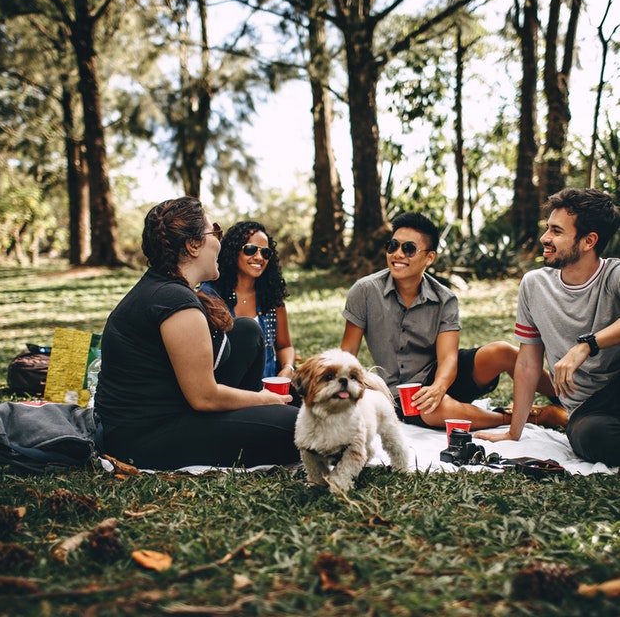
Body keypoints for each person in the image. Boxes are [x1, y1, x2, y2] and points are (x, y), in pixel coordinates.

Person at [95, 197, 300, 470]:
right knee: (298, 427)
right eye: (214, 231)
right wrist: (264, 398)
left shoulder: (166, 288)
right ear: (193, 245)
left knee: (246, 331)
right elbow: (204, 397)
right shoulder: (174, 301)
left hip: (173, 410)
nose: (219, 240)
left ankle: (259, 415)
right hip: (145, 437)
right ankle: (264, 415)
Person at [340, 211, 566, 430]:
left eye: (408, 249)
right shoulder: (365, 291)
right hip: (400, 393)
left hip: (442, 375)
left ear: (429, 257)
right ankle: (528, 417)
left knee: (503, 351)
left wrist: (438, 387)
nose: (398, 254)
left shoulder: (444, 298)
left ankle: (568, 400)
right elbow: (347, 353)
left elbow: (448, 358)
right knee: (434, 410)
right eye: (393, 246)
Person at [476, 188, 620, 466]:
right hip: (589, 410)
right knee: (589, 437)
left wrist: (586, 345)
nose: (544, 238)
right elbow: (528, 362)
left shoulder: (614, 275)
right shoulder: (534, 285)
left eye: (556, 231)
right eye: (547, 228)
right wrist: (513, 432)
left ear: (589, 241)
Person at [201, 221, 295, 379]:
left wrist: (288, 369)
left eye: (265, 253)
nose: (259, 257)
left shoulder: (271, 296)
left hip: (269, 390)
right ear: (233, 251)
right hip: (228, 391)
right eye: (250, 250)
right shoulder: (210, 295)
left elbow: (284, 346)